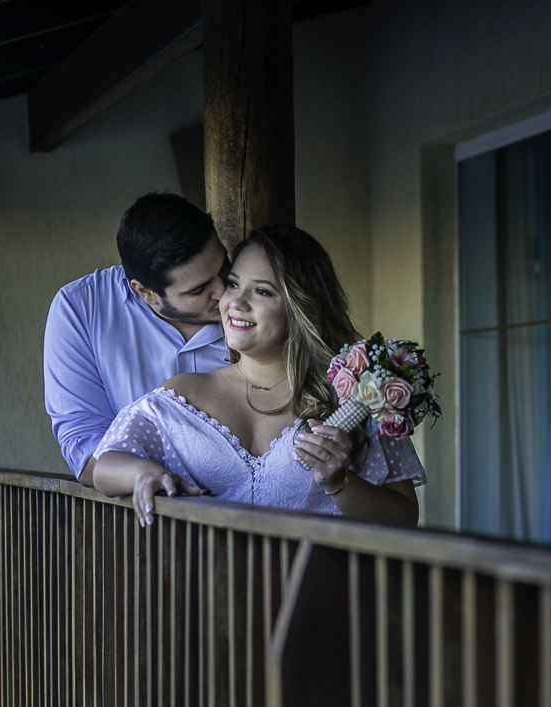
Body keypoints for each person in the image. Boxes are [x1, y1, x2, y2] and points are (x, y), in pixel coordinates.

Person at [92, 225, 424, 526]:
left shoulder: (353, 396)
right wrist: (144, 474)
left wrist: (339, 483)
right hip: (206, 589)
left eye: (262, 291)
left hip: (320, 588)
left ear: (300, 306)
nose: (236, 302)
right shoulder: (181, 396)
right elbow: (104, 466)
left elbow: (405, 516)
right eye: (234, 284)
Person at [43, 192, 230, 485]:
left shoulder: (249, 298)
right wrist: (148, 477)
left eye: (223, 267)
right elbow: (86, 451)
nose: (223, 293)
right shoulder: (80, 309)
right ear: (145, 292)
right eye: (199, 289)